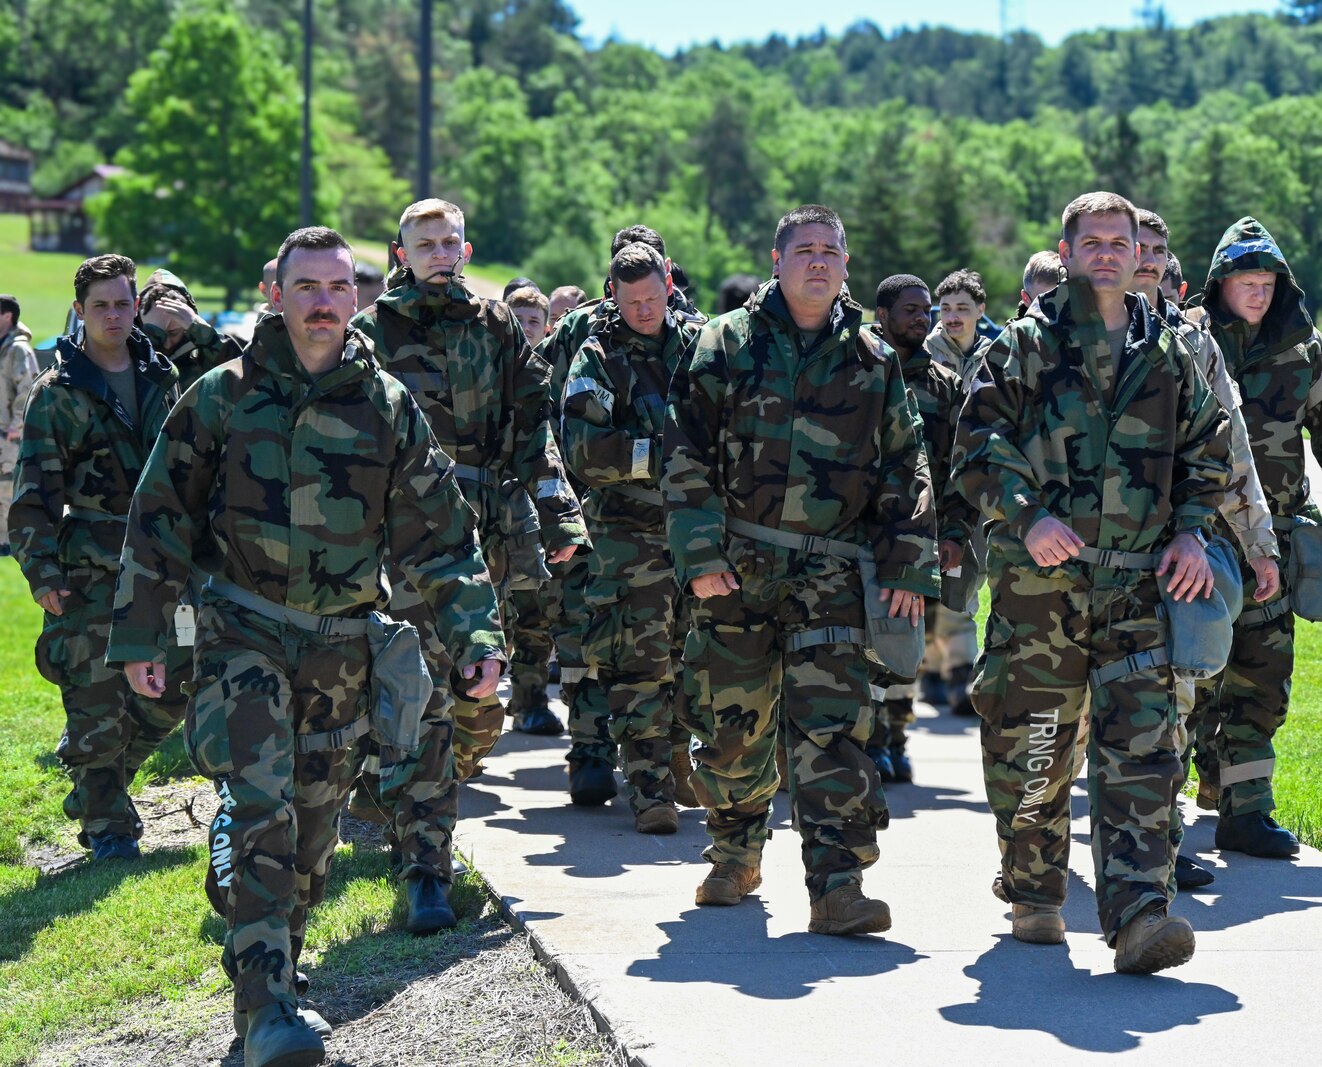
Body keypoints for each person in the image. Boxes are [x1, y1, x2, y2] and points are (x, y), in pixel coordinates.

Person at [105, 226, 505, 1067]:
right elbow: (160, 514)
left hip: (343, 651)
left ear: (354, 297)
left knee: (315, 832)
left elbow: (441, 535)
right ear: (277, 294)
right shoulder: (221, 394)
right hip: (242, 634)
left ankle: (268, 951)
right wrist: (144, 630)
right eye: (307, 286)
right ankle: (267, 1009)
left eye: (337, 286)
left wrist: (476, 633)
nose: (323, 300)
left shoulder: (388, 404)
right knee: (264, 806)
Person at [952, 191, 1231, 973]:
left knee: (1143, 748)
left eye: (1123, 241)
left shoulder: (1169, 350)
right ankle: (1036, 893)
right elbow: (976, 445)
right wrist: (1027, 514)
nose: (1110, 253)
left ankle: (1142, 912)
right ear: (1067, 253)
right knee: (1035, 742)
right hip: (1042, 588)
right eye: (1095, 241)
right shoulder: (1024, 347)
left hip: (1141, 585)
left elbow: (1209, 448)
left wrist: (1190, 529)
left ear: (1141, 252)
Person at [664, 204, 938, 935]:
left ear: (847, 266)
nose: (818, 261)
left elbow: (906, 465)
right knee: (733, 726)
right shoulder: (725, 343)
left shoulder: (874, 358)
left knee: (833, 729)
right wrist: (698, 553)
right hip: (737, 566)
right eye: (805, 249)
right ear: (777, 260)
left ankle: (837, 883)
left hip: (831, 575)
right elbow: (685, 449)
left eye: (831, 251)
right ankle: (734, 852)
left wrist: (907, 564)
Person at [350, 199, 588, 909]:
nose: (440, 252)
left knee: (481, 703)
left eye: (450, 240)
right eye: (425, 242)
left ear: (467, 246)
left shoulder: (497, 328)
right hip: (411, 542)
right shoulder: (371, 333)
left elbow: (532, 434)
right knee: (419, 695)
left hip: (491, 537)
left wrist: (560, 517)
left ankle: (399, 794)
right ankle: (425, 861)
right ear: (401, 252)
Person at [9, 255, 189, 862]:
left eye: (123, 303)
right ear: (80, 310)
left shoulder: (164, 377)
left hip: (165, 565)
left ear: (136, 305)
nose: (114, 315)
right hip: (88, 567)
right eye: (101, 305)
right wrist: (42, 574)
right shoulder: (56, 393)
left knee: (177, 687)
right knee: (95, 703)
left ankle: (96, 787)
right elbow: (32, 495)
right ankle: (108, 824)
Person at [1130, 208, 1280, 890]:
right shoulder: (1064, 334)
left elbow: (1233, 452)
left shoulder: (1194, 346)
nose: (1148, 259)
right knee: (1077, 718)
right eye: (1138, 246)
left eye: (1158, 249)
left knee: (1175, 698)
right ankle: (1034, 859)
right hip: (1083, 562)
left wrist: (1259, 543)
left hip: (1177, 553)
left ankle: (1156, 845)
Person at [543, 225, 705, 807]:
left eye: (653, 298)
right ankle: (644, 783)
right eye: (631, 301)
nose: (644, 311)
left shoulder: (700, 342)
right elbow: (584, 447)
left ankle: (680, 767)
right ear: (612, 292)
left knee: (694, 658)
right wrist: (664, 454)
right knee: (634, 661)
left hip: (696, 533)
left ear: (668, 283)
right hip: (624, 534)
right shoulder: (595, 348)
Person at [1183, 217, 1322, 860]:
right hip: (1203, 537)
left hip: (1274, 542)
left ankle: (1246, 812)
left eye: (1267, 282)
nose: (1259, 294)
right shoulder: (1188, 340)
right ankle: (1164, 817)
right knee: (1190, 674)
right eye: (1247, 281)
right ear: (1221, 284)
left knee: (1262, 678)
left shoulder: (1302, 348)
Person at [871, 274, 975, 782]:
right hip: (863, 536)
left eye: (926, 309)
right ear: (882, 316)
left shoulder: (944, 385)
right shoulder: (863, 372)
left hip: (924, 539)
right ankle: (867, 739)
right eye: (910, 310)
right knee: (865, 642)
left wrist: (954, 532)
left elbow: (960, 468)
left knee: (908, 643)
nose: (922, 318)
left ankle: (894, 736)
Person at [919, 267, 993, 716]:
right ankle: (937, 673)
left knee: (972, 575)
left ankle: (956, 671)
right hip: (935, 483)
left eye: (963, 308)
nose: (952, 317)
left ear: (981, 311)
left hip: (980, 487)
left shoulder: (995, 357)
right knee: (935, 581)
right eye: (945, 309)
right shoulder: (924, 356)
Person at [137, 269, 243, 392]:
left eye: (173, 333)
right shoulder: (129, 346)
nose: (167, 343)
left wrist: (197, 327)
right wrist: (151, 337)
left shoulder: (203, 352)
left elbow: (241, 372)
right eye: (158, 332)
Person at [0, 293, 39, 556]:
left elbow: (28, 390)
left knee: (6, 485)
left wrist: (16, 425)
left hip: (9, 433)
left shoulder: (18, 349)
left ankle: (6, 542)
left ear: (7, 316)